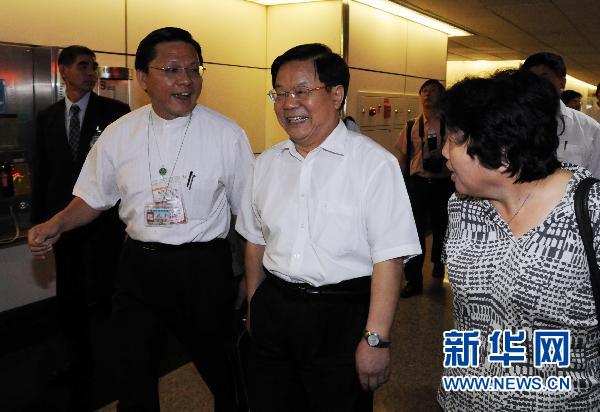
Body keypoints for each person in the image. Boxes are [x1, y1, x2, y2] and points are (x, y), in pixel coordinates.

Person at [28, 27, 254, 412]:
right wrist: (56, 224)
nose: (186, 80)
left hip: (202, 269)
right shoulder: (120, 134)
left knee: (222, 370)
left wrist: (250, 279)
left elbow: (248, 216)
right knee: (132, 372)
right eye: (171, 70)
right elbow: (93, 197)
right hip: (138, 268)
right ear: (143, 78)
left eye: (193, 69)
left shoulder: (226, 135)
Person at [235, 43, 420, 412]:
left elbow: (389, 258)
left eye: (302, 91)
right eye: (280, 93)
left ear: (337, 95)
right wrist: (255, 305)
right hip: (275, 307)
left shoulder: (374, 165)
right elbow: (255, 243)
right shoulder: (266, 163)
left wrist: (376, 339)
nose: (288, 104)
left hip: (341, 315)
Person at [438, 69, 600, 410]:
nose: (444, 152)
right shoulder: (461, 207)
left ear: (501, 151)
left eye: (453, 140)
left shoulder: (591, 212)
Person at [31, 45, 129, 387]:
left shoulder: (116, 113)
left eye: (94, 66)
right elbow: (42, 172)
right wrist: (41, 221)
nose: (91, 73)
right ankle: (78, 359)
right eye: (83, 66)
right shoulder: (47, 117)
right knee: (69, 294)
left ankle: (117, 361)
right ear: (63, 70)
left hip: (103, 221)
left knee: (107, 291)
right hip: (63, 223)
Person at [394, 79, 453, 298]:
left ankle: (438, 261)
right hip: (417, 184)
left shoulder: (450, 125)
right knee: (414, 231)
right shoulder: (411, 126)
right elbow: (403, 157)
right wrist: (399, 185)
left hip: (443, 184)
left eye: (433, 91)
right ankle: (413, 280)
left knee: (441, 227)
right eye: (424, 90)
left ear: (442, 96)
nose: (427, 94)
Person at [522, 52, 600, 178]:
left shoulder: (588, 128)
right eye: (530, 79)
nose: (536, 85)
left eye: (544, 78)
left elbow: (597, 176)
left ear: (562, 83)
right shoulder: (512, 122)